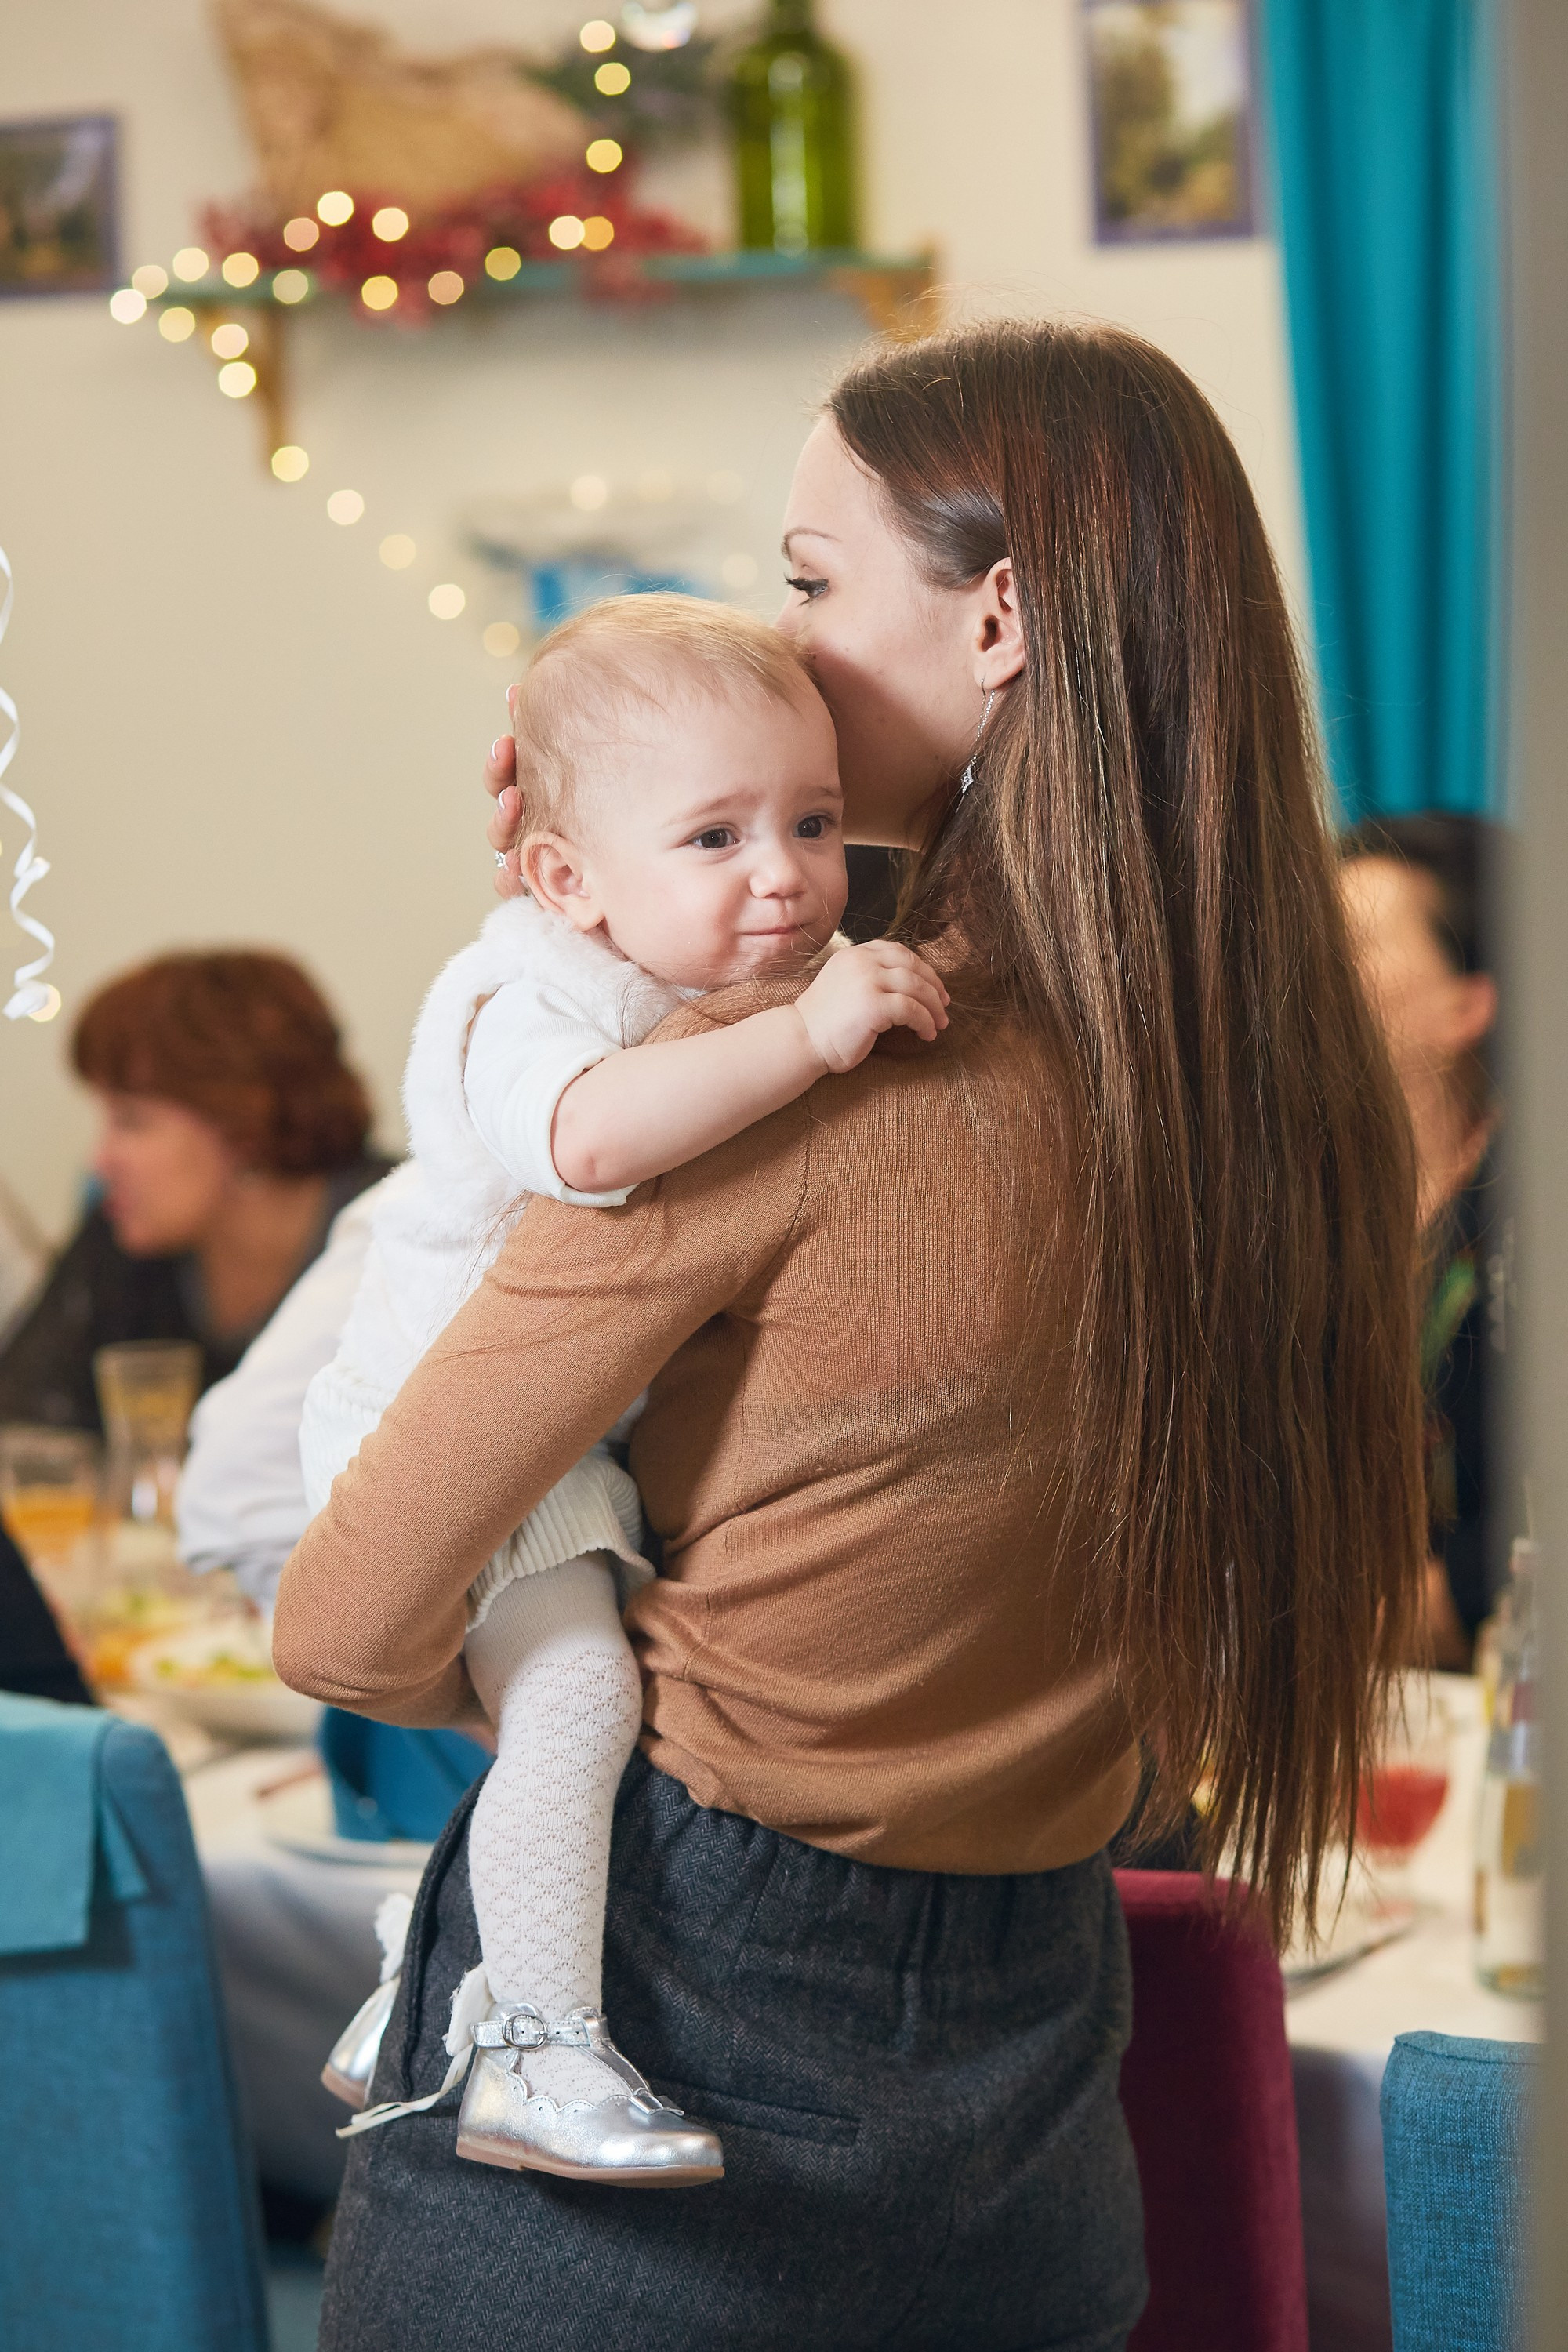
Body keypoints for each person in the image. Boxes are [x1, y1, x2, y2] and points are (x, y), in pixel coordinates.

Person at [276, 321, 1425, 2352]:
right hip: (1030, 2098)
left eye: (808, 583)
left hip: (662, 2055)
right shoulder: (1288, 1093)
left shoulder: (786, 1092)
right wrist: (675, 837)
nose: (781, 638)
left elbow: (349, 1617)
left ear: (997, 619)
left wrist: (595, 933)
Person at [305, 596, 949, 2180]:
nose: (786, 874)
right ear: (564, 880)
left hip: (546, 1444)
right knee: (583, 1699)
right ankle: (527, 2052)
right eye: (716, 837)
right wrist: (809, 1035)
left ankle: (433, 1962)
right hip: (445, 1435)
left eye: (809, 820)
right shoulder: (519, 998)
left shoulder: (659, 946)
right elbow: (589, 1144)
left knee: (564, 1718)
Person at [0, 951, 391, 1433]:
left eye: (131, 1121)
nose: (98, 1160)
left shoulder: (402, 1235)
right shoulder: (121, 1236)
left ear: (244, 1122)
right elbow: (23, 1427)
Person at [1339, 815, 1505, 1664]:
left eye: (1352, 947)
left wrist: (1462, 1599)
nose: (1308, 975)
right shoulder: (1316, 1213)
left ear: (1467, 1003)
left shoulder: (1526, 1217)